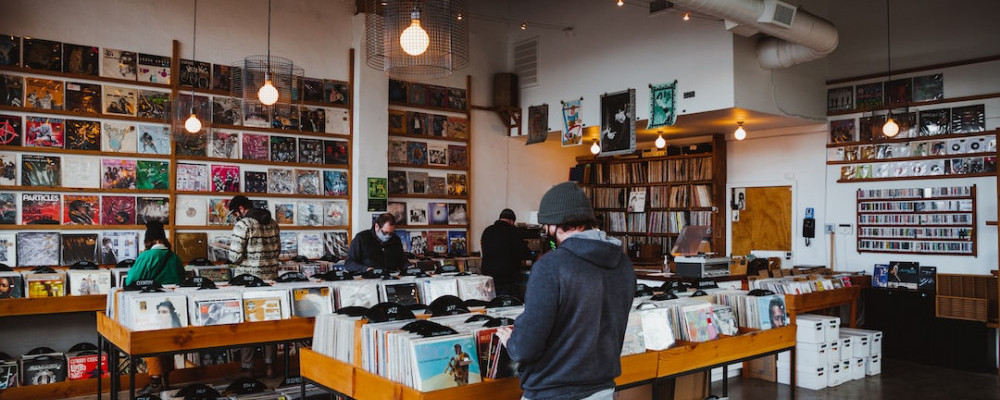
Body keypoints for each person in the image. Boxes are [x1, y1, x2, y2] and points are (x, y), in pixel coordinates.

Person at [499, 182, 635, 400]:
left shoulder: (551, 266)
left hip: (552, 391)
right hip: (603, 389)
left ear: (555, 225)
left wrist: (512, 341)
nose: (546, 234)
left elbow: (527, 347)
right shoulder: (623, 264)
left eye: (545, 228)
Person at [125, 221, 185, 395]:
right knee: (167, 340)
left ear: (148, 241)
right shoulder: (174, 257)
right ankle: (166, 378)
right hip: (173, 306)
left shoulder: (146, 257)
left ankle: (155, 380)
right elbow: (182, 279)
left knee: (150, 340)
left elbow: (130, 281)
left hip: (152, 306)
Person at [227, 195, 280, 377]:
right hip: (271, 281)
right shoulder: (272, 222)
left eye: (235, 213)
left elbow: (234, 257)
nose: (235, 216)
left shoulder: (244, 225)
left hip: (248, 282)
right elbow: (277, 250)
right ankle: (270, 366)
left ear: (241, 209)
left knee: (248, 324)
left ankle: (247, 367)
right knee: (269, 322)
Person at [480, 209, 532, 299]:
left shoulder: (487, 231)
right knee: (508, 306)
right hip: (507, 279)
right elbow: (525, 253)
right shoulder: (513, 231)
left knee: (492, 305)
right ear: (512, 221)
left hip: (488, 278)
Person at [345, 213, 409, 273]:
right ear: (377, 226)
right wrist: (365, 269)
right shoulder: (361, 238)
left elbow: (402, 261)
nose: (388, 236)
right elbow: (349, 263)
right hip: (367, 277)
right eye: (385, 232)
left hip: (391, 277)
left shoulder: (396, 239)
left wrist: (409, 267)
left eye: (391, 233)